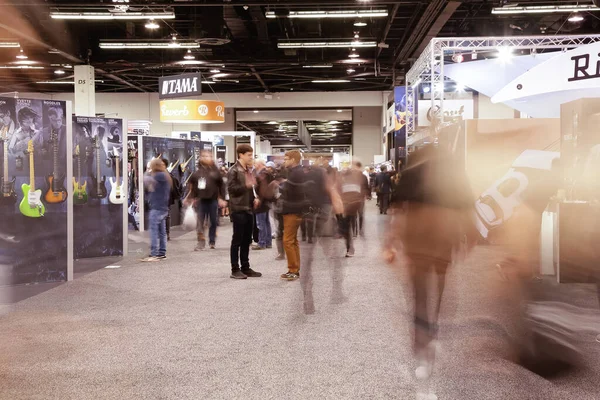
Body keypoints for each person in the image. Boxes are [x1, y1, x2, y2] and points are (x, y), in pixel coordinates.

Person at [382, 144, 476, 400]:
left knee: (419, 289)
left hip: (417, 234)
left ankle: (422, 337)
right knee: (442, 280)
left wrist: (390, 244)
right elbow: (469, 208)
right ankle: (432, 327)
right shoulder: (454, 173)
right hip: (445, 234)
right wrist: (470, 237)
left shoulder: (411, 172)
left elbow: (398, 210)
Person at [227, 144, 262, 279]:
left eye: (251, 155)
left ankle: (245, 267)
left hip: (248, 208)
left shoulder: (248, 170)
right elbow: (231, 189)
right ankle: (235, 269)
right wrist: (245, 185)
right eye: (248, 155)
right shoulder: (233, 170)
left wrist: (255, 198)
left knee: (247, 239)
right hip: (238, 209)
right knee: (237, 239)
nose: (250, 157)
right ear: (241, 155)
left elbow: (251, 188)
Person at [184, 150, 226, 250]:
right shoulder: (197, 173)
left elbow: (222, 187)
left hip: (213, 200)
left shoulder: (216, 172)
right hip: (201, 200)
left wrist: (222, 198)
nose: (206, 158)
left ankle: (212, 241)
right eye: (204, 156)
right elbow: (192, 187)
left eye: (208, 156)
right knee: (200, 222)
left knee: (213, 221)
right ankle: (201, 242)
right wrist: (189, 198)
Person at [280, 150, 306, 281]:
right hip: (295, 209)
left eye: (286, 159)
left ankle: (293, 270)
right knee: (293, 240)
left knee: (288, 240)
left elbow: (288, 192)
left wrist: (281, 187)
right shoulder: (297, 173)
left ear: (293, 160)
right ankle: (295, 268)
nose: (284, 161)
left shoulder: (295, 174)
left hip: (292, 209)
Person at [142, 158, 172, 262]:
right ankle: (162, 253)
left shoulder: (159, 175)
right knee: (162, 232)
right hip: (163, 208)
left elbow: (144, 179)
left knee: (154, 231)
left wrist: (147, 169)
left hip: (157, 208)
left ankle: (154, 254)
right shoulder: (165, 176)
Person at [338, 160, 369, 257]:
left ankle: (351, 243)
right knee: (346, 225)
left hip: (356, 203)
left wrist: (363, 197)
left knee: (354, 218)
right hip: (346, 203)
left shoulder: (362, 177)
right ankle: (351, 241)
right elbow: (339, 188)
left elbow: (365, 188)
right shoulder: (344, 177)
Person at [252, 160, 275, 250]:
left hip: (261, 202)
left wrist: (259, 199)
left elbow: (262, 188)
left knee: (260, 223)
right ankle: (268, 242)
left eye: (256, 163)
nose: (255, 165)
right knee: (266, 222)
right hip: (267, 201)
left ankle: (262, 243)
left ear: (260, 164)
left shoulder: (262, 174)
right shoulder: (268, 174)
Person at [161, 159, 182, 241]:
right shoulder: (161, 175)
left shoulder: (168, 175)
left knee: (166, 216)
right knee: (165, 216)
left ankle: (166, 233)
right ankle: (164, 233)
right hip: (161, 199)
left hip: (166, 199)